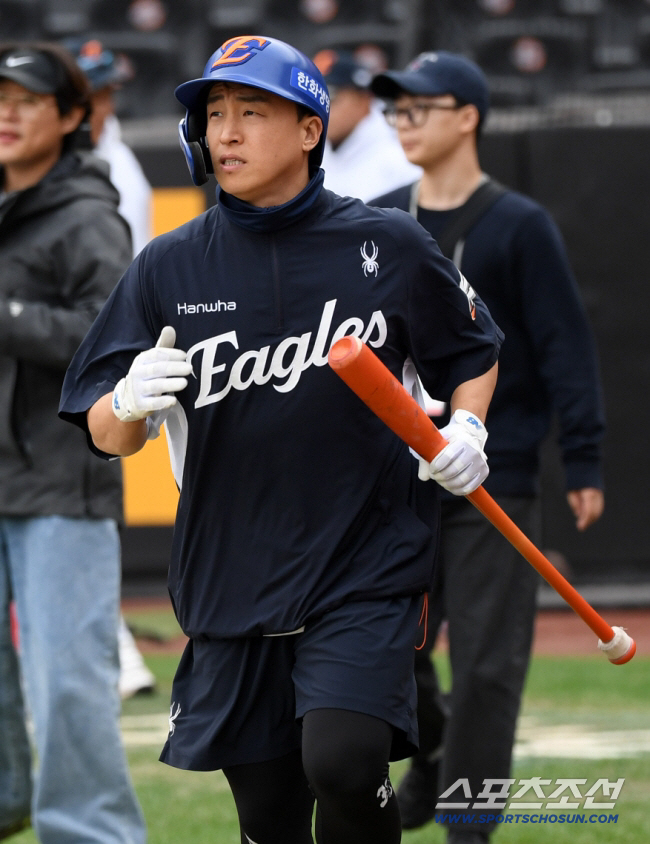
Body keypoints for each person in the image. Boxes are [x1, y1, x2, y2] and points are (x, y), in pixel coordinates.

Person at [59, 35, 502, 844]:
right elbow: (107, 434)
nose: (224, 132)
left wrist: (467, 424)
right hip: (229, 574)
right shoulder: (165, 267)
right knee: (267, 812)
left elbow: (475, 351)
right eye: (214, 115)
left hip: (365, 563)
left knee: (342, 761)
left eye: (250, 113)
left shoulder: (391, 245)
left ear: (309, 130)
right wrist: (125, 398)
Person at [369, 51, 605, 844]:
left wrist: (584, 458)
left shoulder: (518, 224)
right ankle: (431, 752)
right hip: (390, 484)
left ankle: (468, 825)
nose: (403, 123)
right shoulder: (376, 220)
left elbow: (565, 345)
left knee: (487, 666)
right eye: (395, 111)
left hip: (491, 478)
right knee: (384, 649)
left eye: (419, 108)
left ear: (468, 116)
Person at [0, 42, 146, 843]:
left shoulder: (91, 212)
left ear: (69, 116)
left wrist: (10, 320)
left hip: (62, 479)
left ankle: (94, 833)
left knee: (67, 685)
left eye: (25, 99)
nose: (6, 113)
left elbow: (112, 337)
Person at [71, 36, 157, 699]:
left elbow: (115, 287)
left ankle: (117, 651)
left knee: (83, 501)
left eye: (105, 94)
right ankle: (117, 650)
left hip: (97, 351)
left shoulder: (115, 168)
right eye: (90, 93)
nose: (101, 106)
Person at [73, 37, 153, 256]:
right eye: (89, 100)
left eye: (105, 97)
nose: (104, 110)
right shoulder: (28, 159)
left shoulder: (120, 162)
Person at [315, 49, 421, 201]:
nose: (321, 109)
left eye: (330, 98)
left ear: (364, 100)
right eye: (316, 100)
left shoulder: (401, 159)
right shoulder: (312, 154)